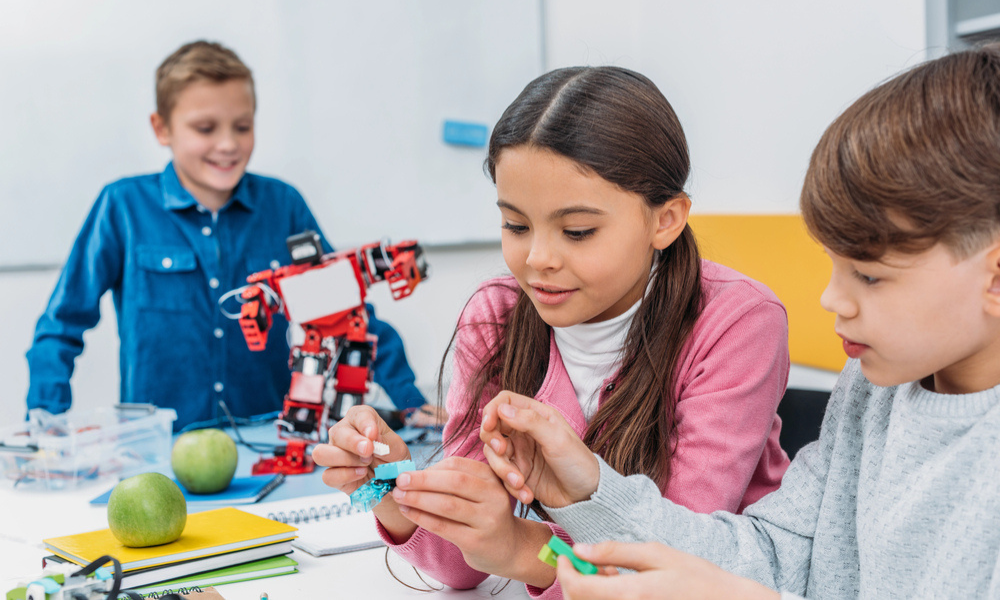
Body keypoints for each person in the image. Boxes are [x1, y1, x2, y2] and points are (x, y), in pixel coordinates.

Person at [478, 45, 1000, 599]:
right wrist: (590, 491)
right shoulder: (876, 389)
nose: (832, 300)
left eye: (868, 276)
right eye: (833, 264)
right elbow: (777, 554)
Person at [312, 66, 791, 598]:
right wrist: (384, 483)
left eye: (578, 231)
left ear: (666, 219)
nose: (537, 259)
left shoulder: (738, 323)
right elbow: (462, 564)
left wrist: (520, 546)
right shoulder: (497, 313)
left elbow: (666, 570)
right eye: (515, 225)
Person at [25, 40, 428, 432]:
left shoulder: (282, 206)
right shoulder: (123, 207)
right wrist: (45, 418)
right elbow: (61, 324)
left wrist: (408, 400)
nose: (228, 144)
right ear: (162, 128)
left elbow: (344, 311)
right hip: (158, 446)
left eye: (242, 126)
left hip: (267, 437)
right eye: (205, 128)